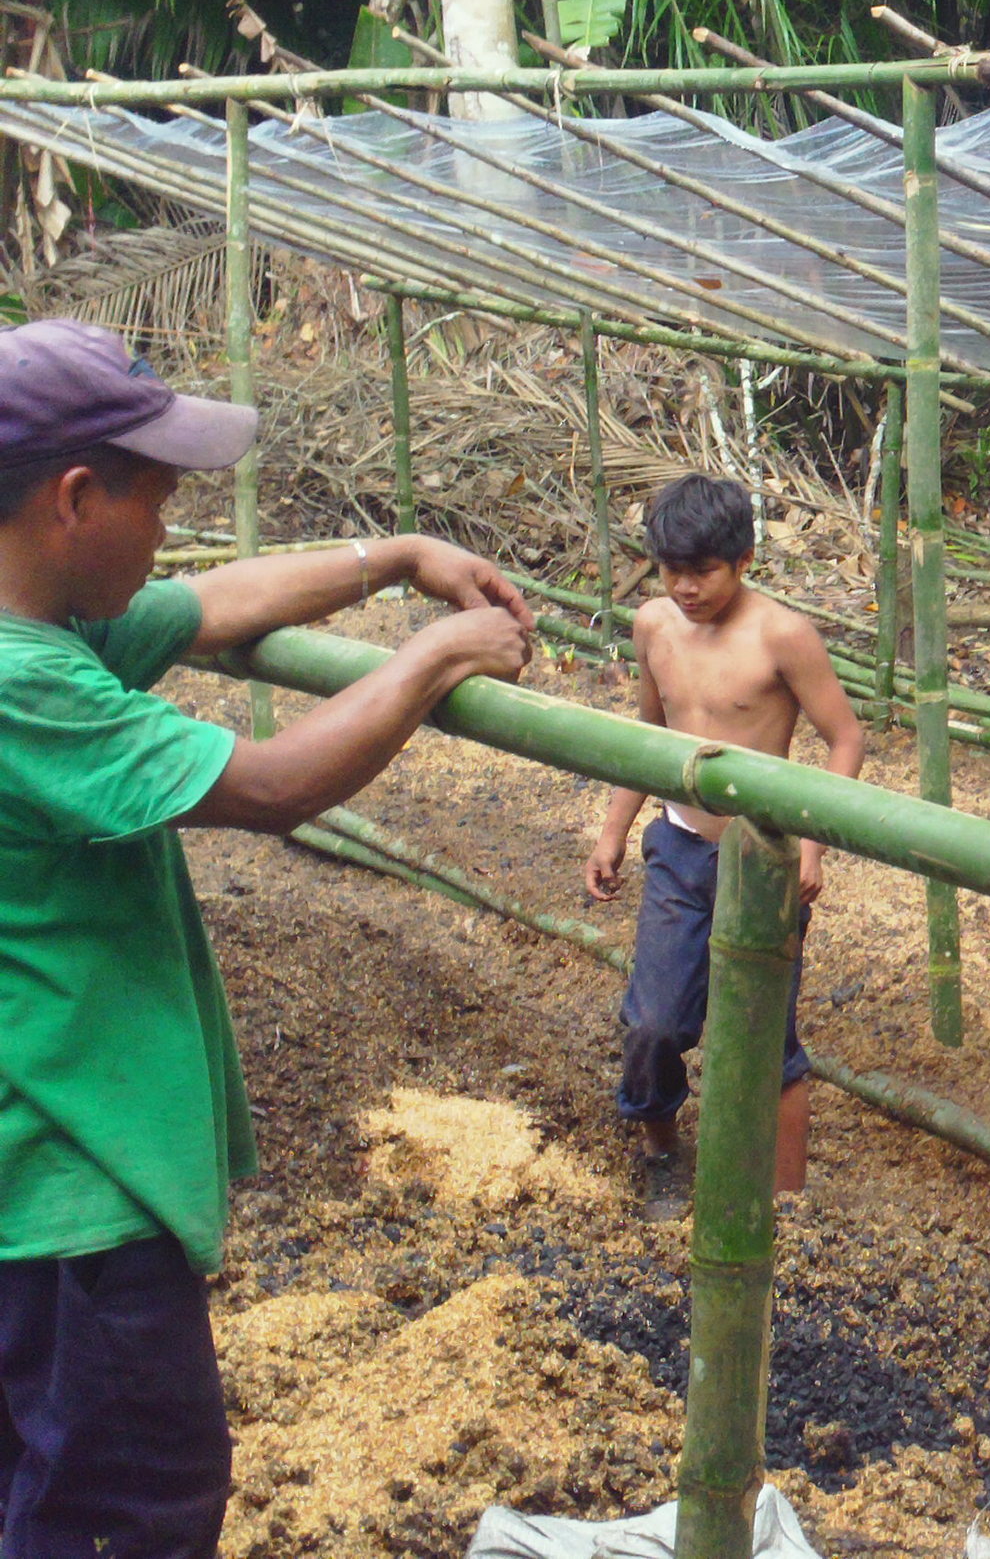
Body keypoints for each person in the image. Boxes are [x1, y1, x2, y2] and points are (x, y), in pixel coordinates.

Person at [0, 317, 533, 1559]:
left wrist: (398, 557)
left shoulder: (44, 623)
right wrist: (435, 657)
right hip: (71, 1190)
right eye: (160, 500)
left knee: (39, 1484)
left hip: (29, 1183)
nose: (172, 531)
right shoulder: (26, 684)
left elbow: (212, 603)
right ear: (77, 499)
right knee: (127, 1508)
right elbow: (273, 784)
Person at [583, 474, 865, 1211]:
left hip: (761, 854)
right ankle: (661, 1151)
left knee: (769, 1039)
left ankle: (788, 1200)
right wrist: (613, 829)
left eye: (702, 571)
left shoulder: (782, 634)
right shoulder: (653, 626)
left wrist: (810, 845)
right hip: (678, 847)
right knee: (653, 1022)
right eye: (671, 569)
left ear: (742, 560)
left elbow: (845, 736)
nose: (685, 586)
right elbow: (646, 735)